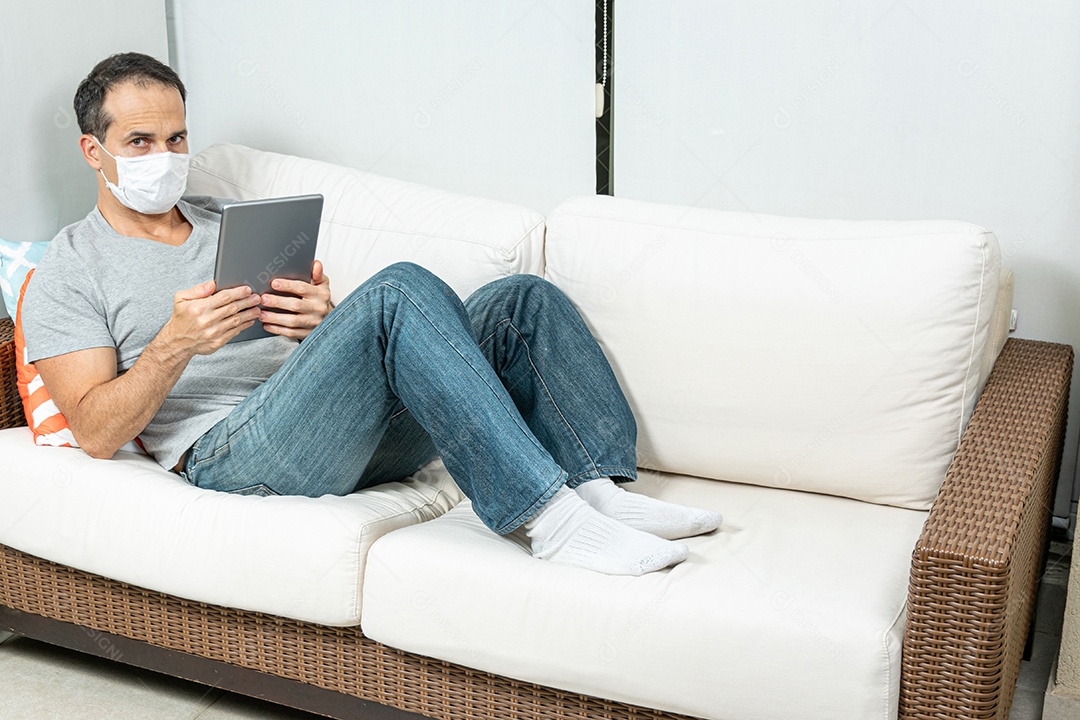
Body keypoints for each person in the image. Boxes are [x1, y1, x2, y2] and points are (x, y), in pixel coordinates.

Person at [22, 52, 721, 577]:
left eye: (176, 140)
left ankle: (597, 486)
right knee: (397, 291)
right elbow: (92, 430)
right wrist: (173, 347)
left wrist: (321, 323)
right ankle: (550, 520)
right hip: (231, 455)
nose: (165, 158)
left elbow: (340, 352)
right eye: (141, 143)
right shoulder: (72, 265)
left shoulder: (228, 222)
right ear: (94, 150)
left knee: (519, 301)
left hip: (326, 429)